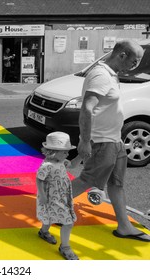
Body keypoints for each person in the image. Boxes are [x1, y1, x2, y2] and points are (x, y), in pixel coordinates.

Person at [72, 39, 150, 242]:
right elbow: (86, 109)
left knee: (116, 184)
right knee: (88, 180)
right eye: (134, 62)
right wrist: (86, 141)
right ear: (122, 55)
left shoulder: (111, 75)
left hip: (114, 140)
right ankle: (51, 206)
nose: (135, 67)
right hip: (101, 140)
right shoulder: (100, 75)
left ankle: (124, 227)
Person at [36, 131, 82, 260]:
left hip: (62, 195)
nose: (67, 154)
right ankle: (65, 247)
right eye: (64, 152)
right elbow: (39, 179)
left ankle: (44, 232)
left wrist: (81, 156)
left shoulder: (61, 161)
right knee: (68, 222)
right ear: (53, 152)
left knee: (49, 216)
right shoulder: (47, 165)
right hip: (51, 197)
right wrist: (43, 196)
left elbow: (72, 165)